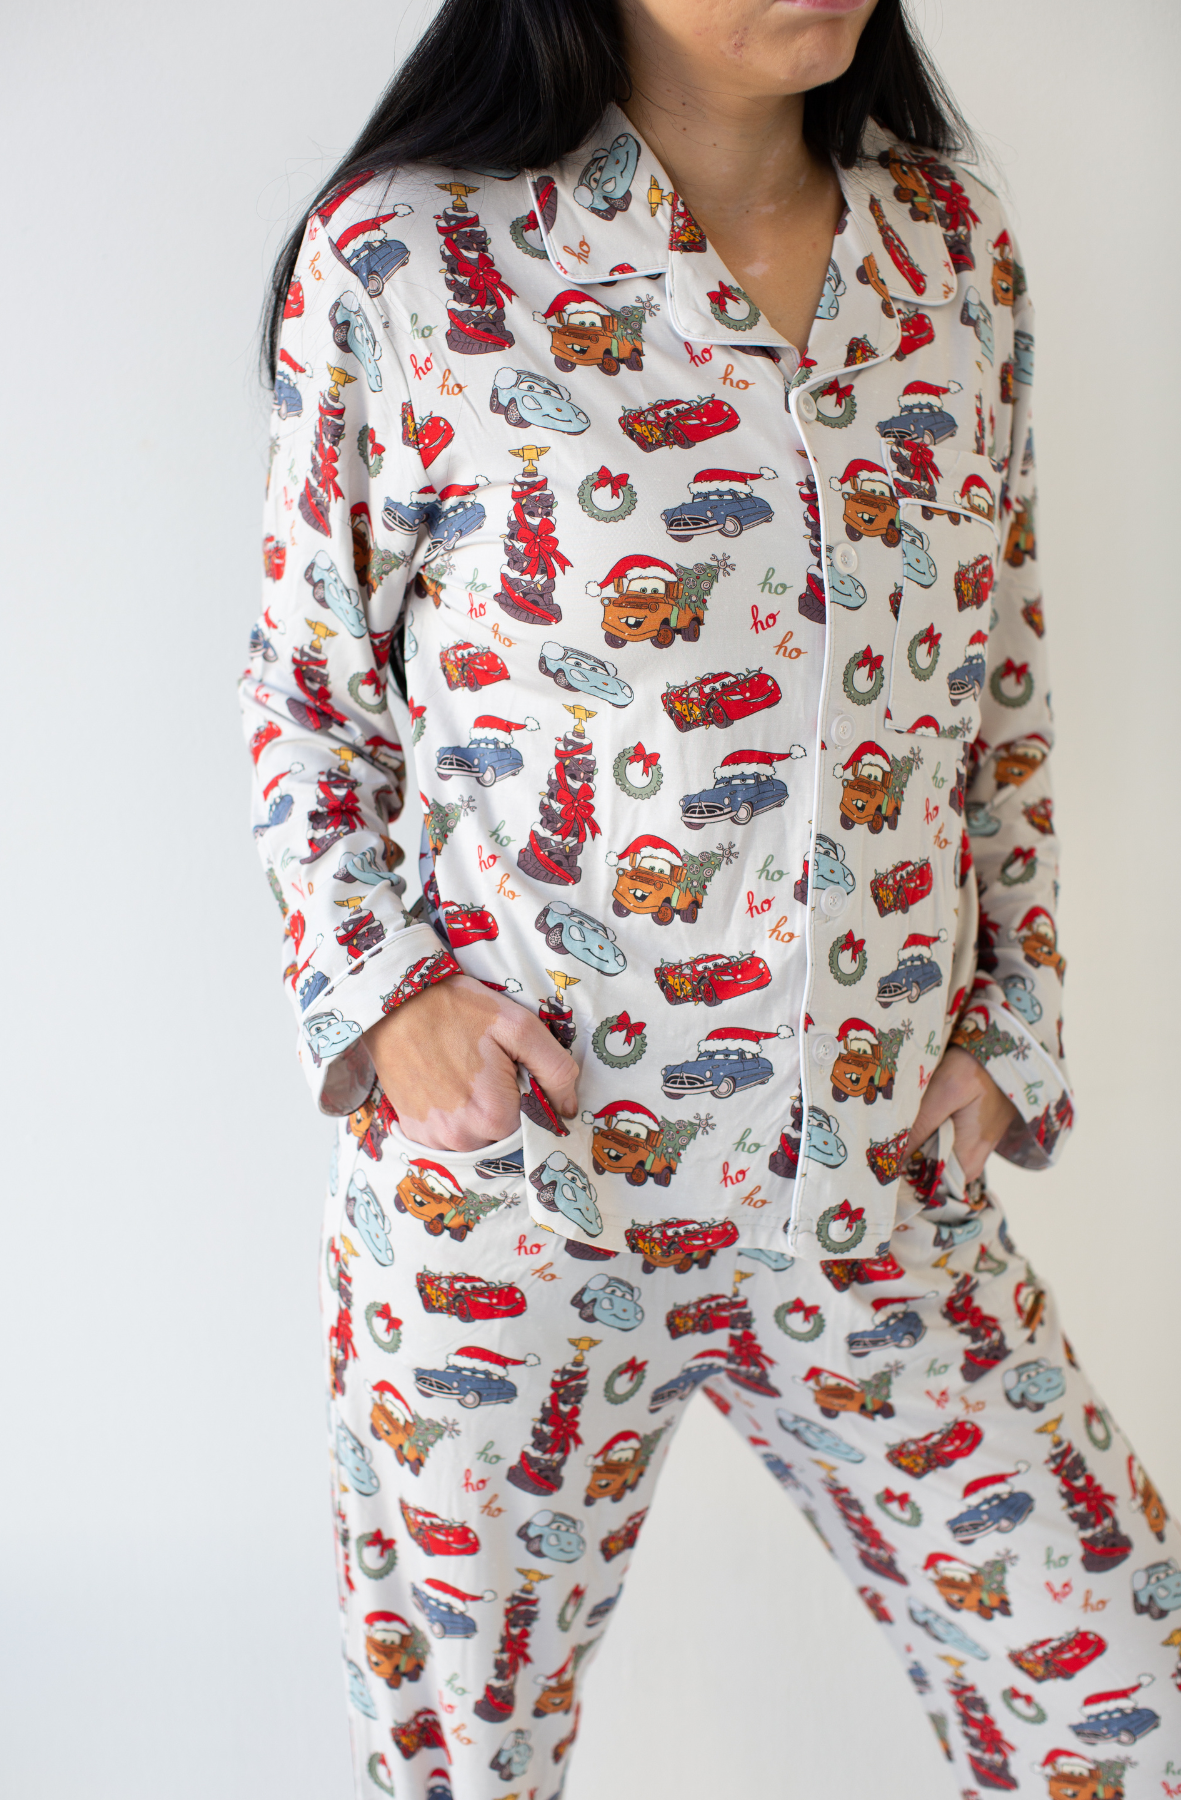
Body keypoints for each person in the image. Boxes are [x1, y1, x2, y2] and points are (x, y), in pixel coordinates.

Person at [241, 2, 1180, 1793]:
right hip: (529, 1195)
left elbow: (999, 684)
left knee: (1124, 1698)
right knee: (463, 1764)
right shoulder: (411, 256)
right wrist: (390, 1003)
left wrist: (1010, 1029)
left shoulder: (951, 249)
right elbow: (308, 692)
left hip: (876, 1186)